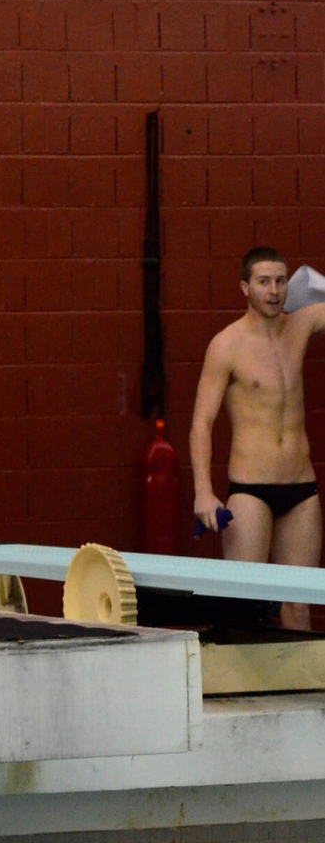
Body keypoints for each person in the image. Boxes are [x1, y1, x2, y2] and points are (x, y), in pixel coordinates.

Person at [190, 248, 325, 629]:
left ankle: (302, 673)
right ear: (245, 287)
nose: (274, 290)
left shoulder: (302, 325)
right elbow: (202, 423)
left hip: (301, 490)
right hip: (251, 490)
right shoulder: (227, 344)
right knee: (245, 607)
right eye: (263, 282)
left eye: (280, 281)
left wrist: (314, 285)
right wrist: (203, 491)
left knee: (299, 607)